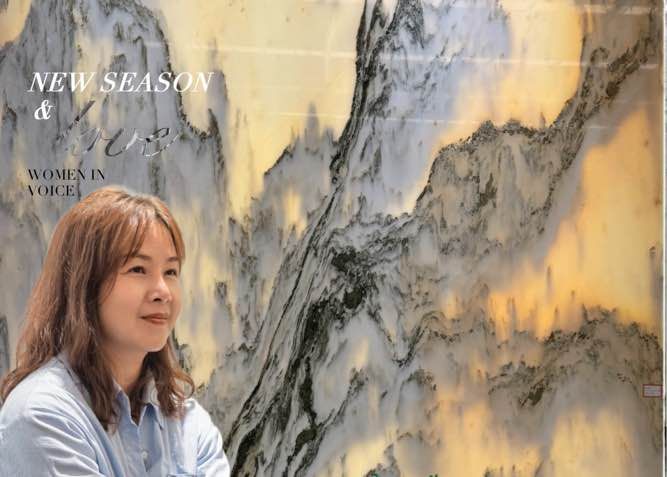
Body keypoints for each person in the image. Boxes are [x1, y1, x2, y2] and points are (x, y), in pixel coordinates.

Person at [0, 186, 230, 477]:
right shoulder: (42, 415)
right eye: (138, 269)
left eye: (171, 272)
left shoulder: (190, 424)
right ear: (85, 285)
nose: (163, 291)